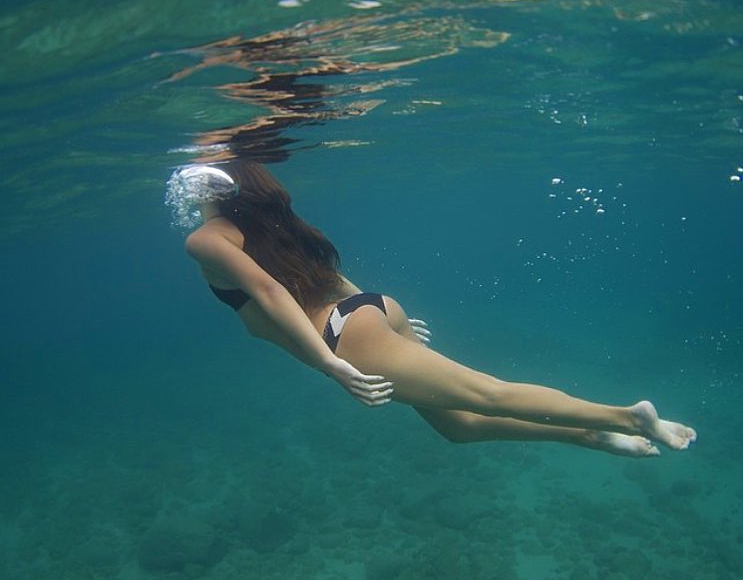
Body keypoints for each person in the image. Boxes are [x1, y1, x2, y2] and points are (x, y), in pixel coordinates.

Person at [166, 161, 697, 458]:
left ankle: (626, 416)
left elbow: (270, 294)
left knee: (488, 394)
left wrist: (331, 362)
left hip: (343, 337)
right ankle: (591, 435)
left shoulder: (206, 239)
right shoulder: (268, 226)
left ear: (210, 190)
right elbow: (322, 278)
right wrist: (372, 313)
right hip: (361, 315)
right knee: (460, 426)